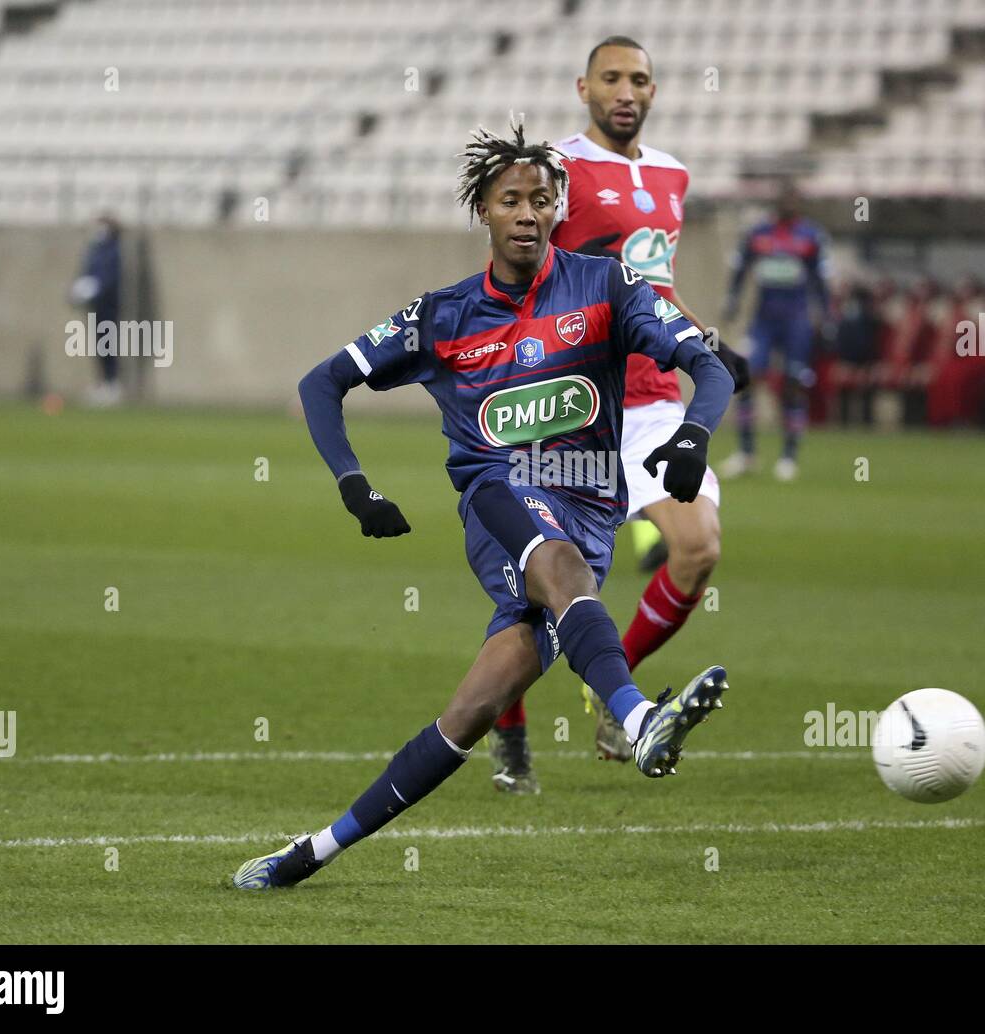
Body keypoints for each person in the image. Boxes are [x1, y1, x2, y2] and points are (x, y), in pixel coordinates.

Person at [231, 120, 733, 890]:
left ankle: (311, 853)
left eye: (541, 199)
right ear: (485, 213)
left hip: (592, 510)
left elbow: (711, 364)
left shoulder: (606, 285)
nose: (528, 212)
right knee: (541, 538)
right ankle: (638, 721)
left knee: (469, 712)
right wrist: (354, 485)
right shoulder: (443, 316)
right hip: (499, 503)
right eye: (510, 200)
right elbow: (321, 383)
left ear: (559, 208)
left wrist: (695, 433)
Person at [479, 36, 750, 792]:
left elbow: (648, 281)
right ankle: (509, 736)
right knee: (541, 589)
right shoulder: (554, 172)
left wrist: (708, 342)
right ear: (583, 87)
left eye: (639, 79)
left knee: (696, 548)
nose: (626, 91)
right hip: (576, 402)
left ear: (654, 92)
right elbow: (522, 271)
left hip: (656, 399)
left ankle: (613, 685)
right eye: (611, 78)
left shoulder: (670, 175)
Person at [720, 182, 831, 480]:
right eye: (785, 198)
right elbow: (740, 269)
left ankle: (788, 457)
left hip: (796, 320)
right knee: (746, 379)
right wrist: (731, 300)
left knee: (794, 384)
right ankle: (746, 454)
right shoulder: (759, 233)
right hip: (764, 320)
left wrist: (827, 315)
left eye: (794, 199)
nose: (789, 204)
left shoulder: (811, 235)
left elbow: (821, 280)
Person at [69, 214, 123, 406]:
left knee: (108, 344)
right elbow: (87, 272)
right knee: (99, 345)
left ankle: (112, 384)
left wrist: (97, 288)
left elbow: (110, 278)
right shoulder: (94, 250)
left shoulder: (114, 251)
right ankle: (103, 383)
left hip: (109, 305)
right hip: (95, 306)